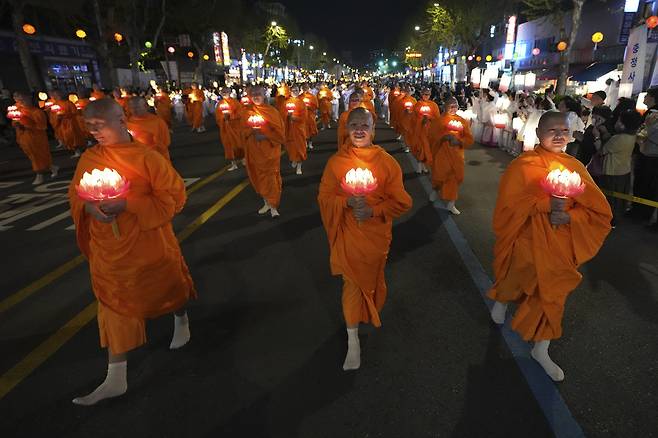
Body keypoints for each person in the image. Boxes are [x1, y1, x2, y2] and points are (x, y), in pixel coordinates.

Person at [68, 98, 195, 405]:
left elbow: (174, 198)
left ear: (120, 120)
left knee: (168, 287)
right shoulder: (89, 157)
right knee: (114, 304)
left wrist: (129, 204)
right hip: (109, 249)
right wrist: (90, 208)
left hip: (147, 242)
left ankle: (181, 318)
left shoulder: (147, 158)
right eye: (90, 127)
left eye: (100, 125)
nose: (95, 132)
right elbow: (77, 193)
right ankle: (116, 377)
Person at [488, 111, 612, 382]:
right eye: (552, 130)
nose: (559, 135)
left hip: (560, 245)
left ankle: (541, 348)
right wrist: (545, 205)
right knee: (515, 277)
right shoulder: (523, 165)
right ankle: (501, 297)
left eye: (564, 131)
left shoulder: (576, 168)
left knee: (553, 294)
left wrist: (570, 215)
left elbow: (598, 212)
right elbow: (509, 206)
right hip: (528, 240)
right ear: (537, 134)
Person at [318, 107, 412, 371]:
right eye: (354, 125)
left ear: (373, 129)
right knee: (351, 284)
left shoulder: (386, 163)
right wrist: (346, 201)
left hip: (375, 237)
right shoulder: (337, 162)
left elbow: (403, 202)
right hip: (349, 234)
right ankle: (352, 340)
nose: (359, 130)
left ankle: (364, 315)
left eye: (364, 125)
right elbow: (324, 198)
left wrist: (374, 210)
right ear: (347, 129)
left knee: (370, 282)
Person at [241, 85, 285, 218]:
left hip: (270, 152)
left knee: (271, 178)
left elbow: (280, 134)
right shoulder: (247, 112)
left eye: (258, 93)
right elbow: (242, 132)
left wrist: (265, 136)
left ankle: (273, 205)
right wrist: (252, 131)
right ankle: (266, 202)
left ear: (264, 94)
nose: (256, 96)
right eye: (253, 94)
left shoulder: (272, 112)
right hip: (254, 152)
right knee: (259, 178)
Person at [428, 97, 474, 215]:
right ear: (445, 107)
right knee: (440, 176)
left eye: (455, 106)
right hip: (442, 154)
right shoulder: (439, 121)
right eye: (451, 106)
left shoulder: (462, 121)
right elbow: (431, 137)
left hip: (457, 156)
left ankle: (451, 204)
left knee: (455, 178)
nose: (453, 109)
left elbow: (469, 139)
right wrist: (443, 138)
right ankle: (435, 189)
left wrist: (459, 142)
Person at [599, 109, 642, 227]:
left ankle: (609, 221)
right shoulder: (632, 136)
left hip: (612, 172)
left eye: (619, 120)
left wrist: (597, 137)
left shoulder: (618, 138)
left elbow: (603, 151)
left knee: (610, 199)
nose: (616, 122)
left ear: (622, 124)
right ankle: (615, 219)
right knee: (619, 199)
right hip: (624, 171)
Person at [12, 91, 58, 184]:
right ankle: (51, 167)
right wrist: (16, 124)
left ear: (29, 99)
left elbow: (42, 127)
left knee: (37, 155)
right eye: (20, 100)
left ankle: (39, 174)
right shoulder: (19, 111)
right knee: (33, 156)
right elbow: (14, 121)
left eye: (24, 99)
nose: (22, 102)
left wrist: (27, 126)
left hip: (36, 138)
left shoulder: (37, 112)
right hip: (23, 137)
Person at [125, 97, 172, 161]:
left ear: (146, 106)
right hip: (137, 157)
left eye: (137, 107)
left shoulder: (157, 122)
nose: (134, 110)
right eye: (131, 108)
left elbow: (165, 142)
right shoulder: (127, 123)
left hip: (156, 157)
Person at [411, 87, 441, 173]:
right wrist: (421, 120)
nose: (426, 96)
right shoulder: (418, 105)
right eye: (424, 94)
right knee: (421, 148)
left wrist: (430, 119)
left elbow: (437, 118)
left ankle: (424, 166)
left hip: (430, 131)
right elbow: (413, 118)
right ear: (421, 94)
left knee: (428, 149)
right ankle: (419, 166)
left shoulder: (434, 105)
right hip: (420, 131)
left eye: (428, 94)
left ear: (430, 95)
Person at [279, 85, 308, 175]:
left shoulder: (301, 103)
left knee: (300, 147)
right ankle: (294, 159)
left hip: (299, 129)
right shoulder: (286, 102)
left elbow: (304, 117)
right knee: (290, 147)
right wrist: (287, 115)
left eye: (296, 90)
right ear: (290, 91)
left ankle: (299, 166)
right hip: (289, 129)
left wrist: (294, 118)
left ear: (299, 91)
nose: (295, 92)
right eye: (293, 90)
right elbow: (281, 115)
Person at [215, 87, 244, 171]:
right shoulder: (220, 104)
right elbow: (217, 116)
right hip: (225, 128)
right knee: (228, 146)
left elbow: (240, 113)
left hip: (235, 127)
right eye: (223, 92)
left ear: (230, 92)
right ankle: (233, 163)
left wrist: (231, 116)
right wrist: (223, 118)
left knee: (238, 144)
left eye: (226, 92)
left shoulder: (235, 102)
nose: (224, 93)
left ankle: (243, 159)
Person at [51, 90, 86, 158]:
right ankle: (76, 151)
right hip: (62, 124)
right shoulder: (55, 105)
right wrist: (57, 117)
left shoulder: (69, 103)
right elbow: (52, 115)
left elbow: (75, 112)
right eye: (56, 95)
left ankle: (78, 151)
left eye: (59, 94)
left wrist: (65, 114)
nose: (58, 96)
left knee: (74, 137)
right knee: (67, 138)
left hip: (71, 123)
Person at [302, 84, 319, 150]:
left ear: (308, 88)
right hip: (303, 116)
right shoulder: (300, 97)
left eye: (306, 87)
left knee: (311, 129)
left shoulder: (312, 96)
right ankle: (305, 142)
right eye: (304, 88)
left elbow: (316, 105)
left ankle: (310, 142)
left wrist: (310, 107)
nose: (305, 89)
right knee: (303, 130)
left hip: (310, 115)